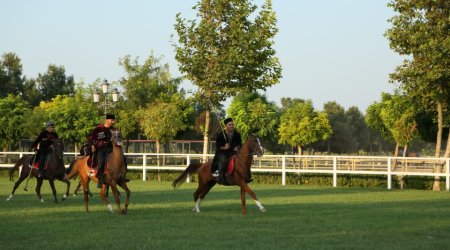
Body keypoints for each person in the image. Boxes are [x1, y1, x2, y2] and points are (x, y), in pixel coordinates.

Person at [87, 113, 116, 188]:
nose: (113, 122)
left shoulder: (114, 130)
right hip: (101, 148)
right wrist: (92, 145)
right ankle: (100, 179)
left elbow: (118, 138)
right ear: (107, 120)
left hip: (111, 148)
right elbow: (90, 137)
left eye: (113, 120)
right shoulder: (99, 128)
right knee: (101, 161)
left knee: (121, 158)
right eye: (112, 120)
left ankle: (121, 176)